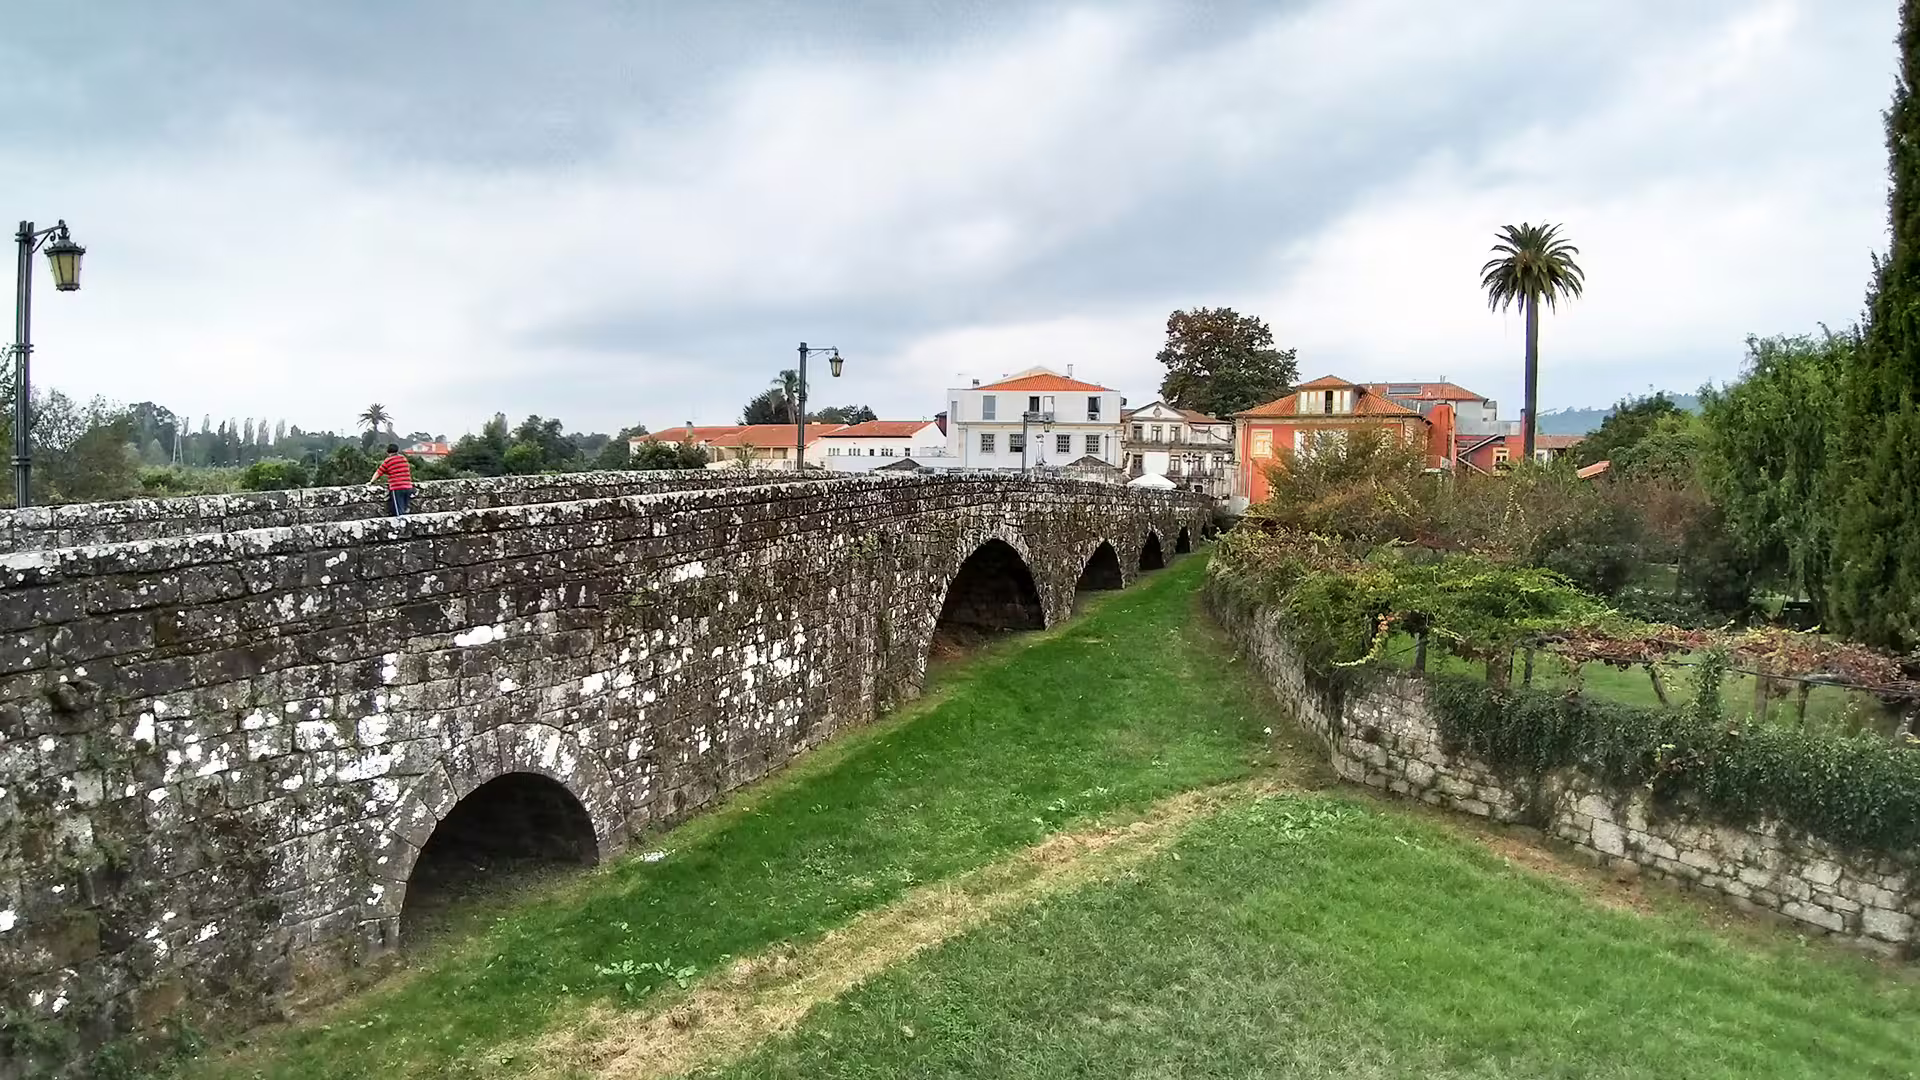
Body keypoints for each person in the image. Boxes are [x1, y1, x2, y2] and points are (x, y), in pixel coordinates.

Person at [370, 443, 415, 516]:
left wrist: (371, 481)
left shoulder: (388, 461)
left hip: (397, 487)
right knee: (405, 510)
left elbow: (379, 472)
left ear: (388, 452)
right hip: (408, 487)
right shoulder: (403, 458)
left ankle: (400, 526)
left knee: (399, 512)